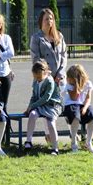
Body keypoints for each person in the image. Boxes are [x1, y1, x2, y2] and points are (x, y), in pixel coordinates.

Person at [30, 8, 67, 142]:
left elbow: (64, 56)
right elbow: (36, 59)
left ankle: (72, 132)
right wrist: (48, 75)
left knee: (61, 105)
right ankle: (49, 135)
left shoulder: (59, 36)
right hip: (45, 78)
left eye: (51, 18)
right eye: (46, 19)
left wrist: (60, 74)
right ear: (41, 21)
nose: (49, 21)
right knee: (47, 105)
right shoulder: (36, 38)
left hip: (60, 79)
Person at [24, 60, 62, 155]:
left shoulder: (50, 81)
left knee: (50, 123)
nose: (37, 79)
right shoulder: (36, 82)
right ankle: (28, 141)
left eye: (39, 77)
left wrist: (33, 106)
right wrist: (29, 107)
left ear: (45, 72)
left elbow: (46, 98)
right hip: (40, 105)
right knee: (32, 115)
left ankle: (55, 148)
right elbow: (34, 97)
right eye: (35, 77)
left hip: (52, 106)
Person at [63, 64, 93, 153]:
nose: (67, 79)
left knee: (92, 116)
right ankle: (74, 142)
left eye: (69, 77)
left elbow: (88, 98)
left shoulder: (88, 83)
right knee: (76, 116)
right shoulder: (69, 85)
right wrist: (76, 86)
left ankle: (88, 142)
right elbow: (74, 98)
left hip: (83, 104)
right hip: (71, 104)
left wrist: (85, 108)